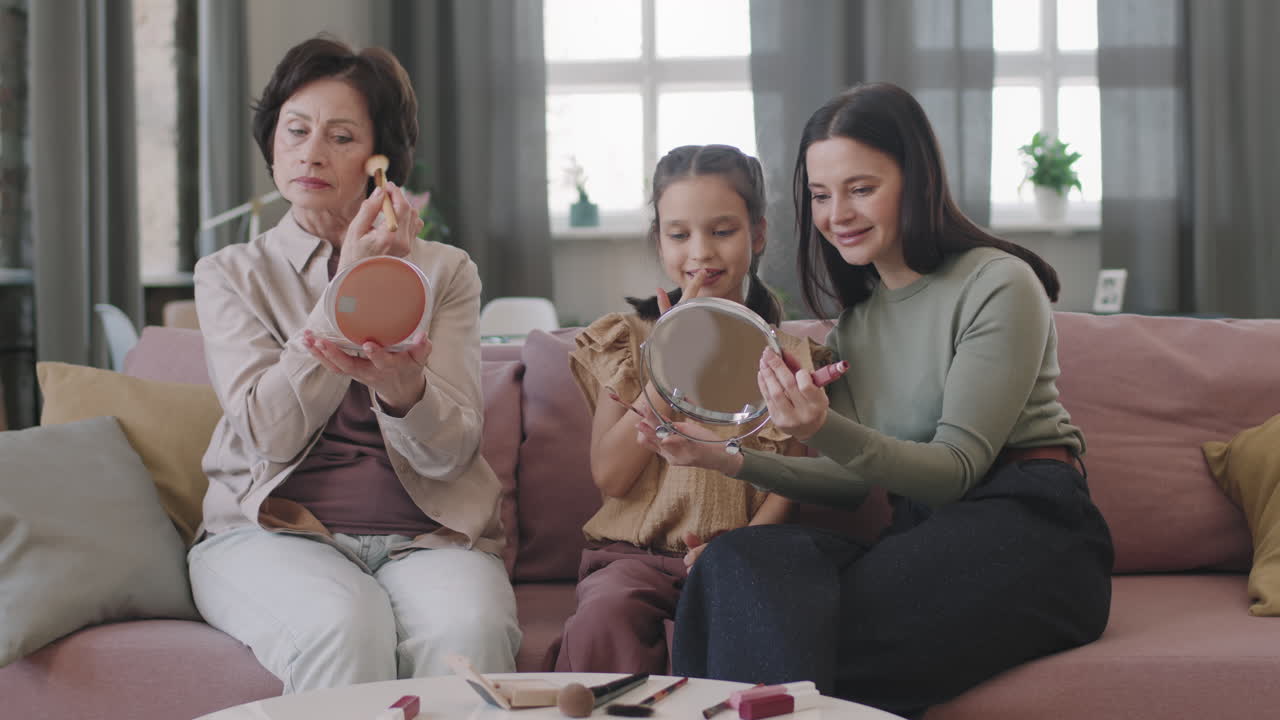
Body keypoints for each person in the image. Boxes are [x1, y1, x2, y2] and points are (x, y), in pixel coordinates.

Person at [645, 83, 1115, 719]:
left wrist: (824, 424)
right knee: (737, 563)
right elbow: (845, 487)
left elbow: (955, 471)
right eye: (819, 194)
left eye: (861, 188)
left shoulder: (997, 283)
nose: (837, 212)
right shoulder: (855, 329)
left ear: (916, 180)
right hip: (923, 537)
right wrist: (723, 458)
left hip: (1029, 527)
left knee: (769, 628)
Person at [187, 36, 520, 693]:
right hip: (271, 536)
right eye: (296, 130)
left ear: (380, 160)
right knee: (341, 623)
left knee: (472, 627)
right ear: (272, 140)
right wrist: (349, 284)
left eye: (340, 136)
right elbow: (268, 433)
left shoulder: (445, 273)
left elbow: (453, 452)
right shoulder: (231, 275)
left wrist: (405, 393)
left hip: (427, 538)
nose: (310, 151)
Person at [543, 144, 835, 674]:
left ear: (758, 234)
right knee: (604, 616)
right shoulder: (627, 341)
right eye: (680, 235)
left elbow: (790, 482)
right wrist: (673, 354)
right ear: (660, 242)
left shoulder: (794, 360)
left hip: (738, 556)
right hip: (633, 559)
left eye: (722, 232)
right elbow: (610, 477)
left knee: (757, 619)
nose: (701, 252)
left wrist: (738, 549)